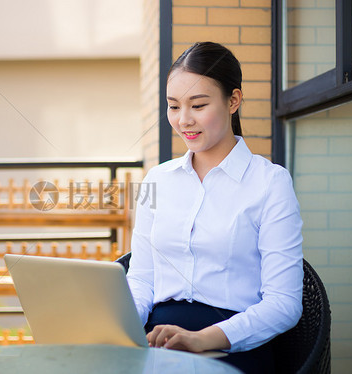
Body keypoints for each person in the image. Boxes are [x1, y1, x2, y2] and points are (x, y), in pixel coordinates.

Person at [126, 42, 303, 374]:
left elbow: (285, 304)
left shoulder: (269, 183)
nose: (183, 120)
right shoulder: (157, 180)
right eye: (173, 106)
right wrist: (123, 330)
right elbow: (141, 279)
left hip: (231, 345)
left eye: (198, 105)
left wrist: (201, 339)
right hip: (158, 342)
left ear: (233, 100)